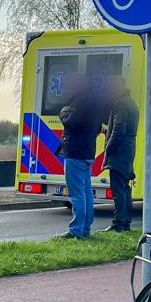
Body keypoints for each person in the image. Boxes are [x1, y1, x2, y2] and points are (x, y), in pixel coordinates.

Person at [56, 74, 104, 239]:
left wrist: (63, 113)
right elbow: (98, 127)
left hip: (75, 153)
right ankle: (85, 229)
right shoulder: (95, 102)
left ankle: (77, 230)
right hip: (88, 152)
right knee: (86, 193)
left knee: (76, 194)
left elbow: (71, 123)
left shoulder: (79, 102)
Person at [101, 75, 138, 232]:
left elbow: (119, 130)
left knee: (118, 189)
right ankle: (125, 222)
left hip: (119, 152)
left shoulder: (120, 104)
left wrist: (108, 149)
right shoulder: (130, 102)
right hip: (127, 150)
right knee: (124, 188)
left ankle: (119, 223)